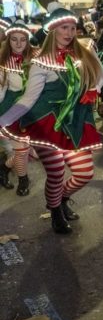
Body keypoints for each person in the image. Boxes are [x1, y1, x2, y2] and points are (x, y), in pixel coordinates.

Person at [0, 8, 103, 234]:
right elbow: (28, 99)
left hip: (74, 121)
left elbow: (100, 73)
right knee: (56, 173)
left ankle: (62, 199)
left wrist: (94, 89)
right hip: (45, 123)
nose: (69, 32)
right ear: (53, 31)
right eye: (63, 28)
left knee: (84, 173)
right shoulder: (41, 62)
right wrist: (2, 121)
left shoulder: (83, 53)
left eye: (72, 28)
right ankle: (55, 210)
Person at [0, 22, 35, 195]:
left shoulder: (37, 57)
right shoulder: (2, 62)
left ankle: (4, 168)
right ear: (8, 41)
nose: (19, 44)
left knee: (27, 151)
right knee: (22, 151)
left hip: (35, 107)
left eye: (23, 40)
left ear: (28, 41)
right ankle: (23, 179)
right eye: (14, 40)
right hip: (13, 109)